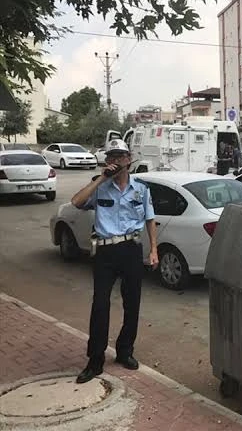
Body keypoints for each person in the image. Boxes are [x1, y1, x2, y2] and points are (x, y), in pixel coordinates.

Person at [71, 139, 158, 384]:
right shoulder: (99, 187)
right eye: (111, 157)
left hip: (131, 249)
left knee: (132, 304)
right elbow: (76, 203)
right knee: (100, 305)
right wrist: (101, 178)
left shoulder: (141, 189)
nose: (116, 161)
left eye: (120, 156)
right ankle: (95, 360)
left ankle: (124, 351)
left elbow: (150, 220)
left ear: (129, 159)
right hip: (105, 252)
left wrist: (154, 250)